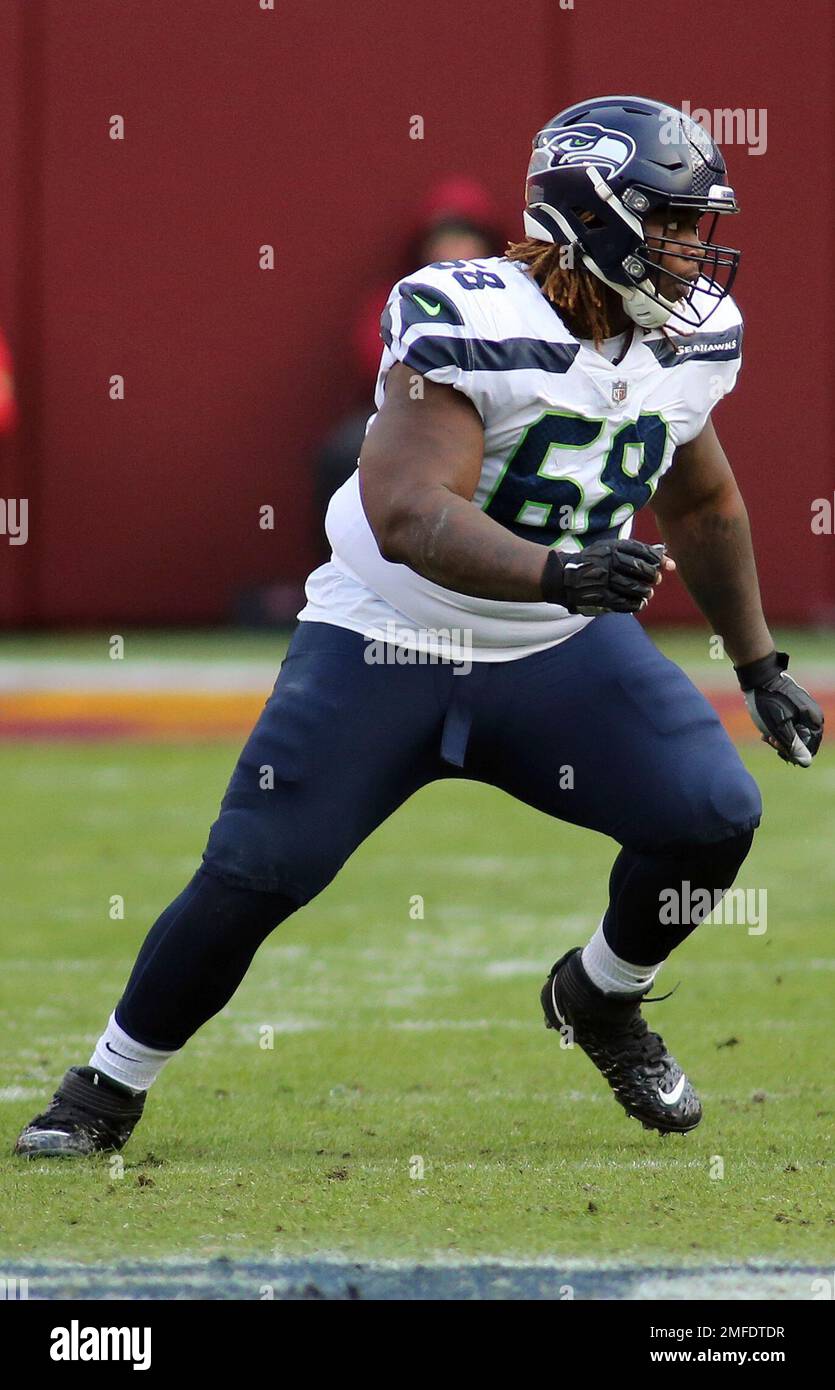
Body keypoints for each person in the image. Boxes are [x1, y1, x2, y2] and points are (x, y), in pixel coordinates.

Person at [16, 96, 823, 1157]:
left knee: (713, 812)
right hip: (387, 639)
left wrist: (758, 663)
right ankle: (103, 1090)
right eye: (667, 223)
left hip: (552, 650)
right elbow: (408, 513)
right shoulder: (468, 314)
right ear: (595, 215)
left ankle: (602, 997)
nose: (689, 251)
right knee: (261, 867)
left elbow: (703, 502)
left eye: (691, 224)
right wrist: (559, 568)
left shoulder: (688, 338)